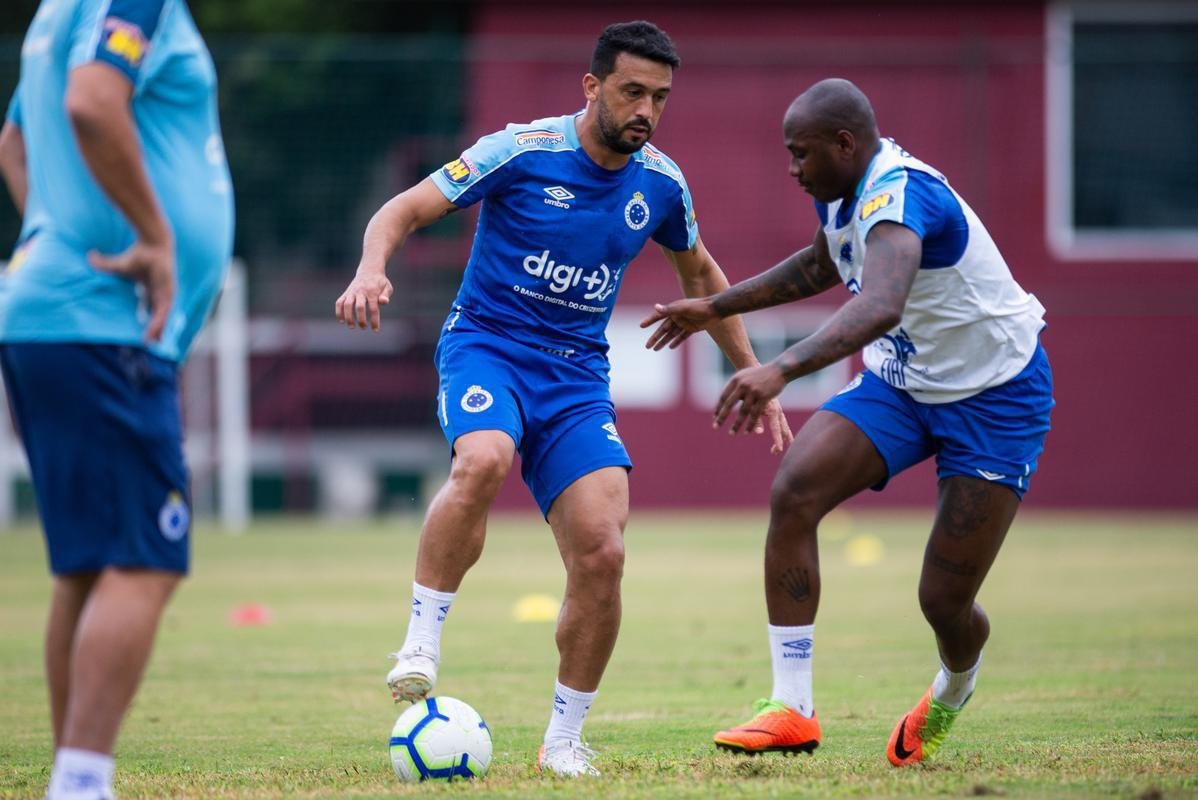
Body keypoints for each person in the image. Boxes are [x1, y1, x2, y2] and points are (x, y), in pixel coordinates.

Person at [335, 20, 791, 777]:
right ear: (592, 87)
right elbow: (403, 210)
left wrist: (756, 374)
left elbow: (703, 276)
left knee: (604, 552)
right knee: (482, 459)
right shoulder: (521, 150)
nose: (647, 110)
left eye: (660, 97)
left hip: (576, 380)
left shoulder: (661, 183)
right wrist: (369, 269)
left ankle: (564, 742)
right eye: (632, 91)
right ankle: (420, 640)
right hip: (486, 347)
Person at [642, 77, 1052, 766]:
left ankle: (953, 687)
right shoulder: (845, 197)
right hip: (905, 384)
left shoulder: (900, 193)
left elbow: (882, 303)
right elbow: (817, 265)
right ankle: (792, 708)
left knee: (944, 600)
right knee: (794, 490)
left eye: (801, 154)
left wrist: (780, 369)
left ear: (845, 143)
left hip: (995, 398)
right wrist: (715, 307)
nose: (792, 168)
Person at [0, 1, 233, 797]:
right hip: (104, 322)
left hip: (53, 311)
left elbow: (14, 139)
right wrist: (154, 238)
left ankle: (73, 775)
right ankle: (82, 782)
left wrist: (50, 230)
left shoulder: (56, 11)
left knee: (88, 566)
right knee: (145, 556)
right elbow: (91, 100)